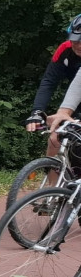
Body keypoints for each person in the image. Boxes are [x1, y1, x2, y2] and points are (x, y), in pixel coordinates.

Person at [26, 14, 81, 176]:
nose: (78, 45)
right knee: (56, 137)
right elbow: (49, 81)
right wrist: (37, 112)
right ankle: (52, 189)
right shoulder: (65, 50)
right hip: (76, 99)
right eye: (75, 40)